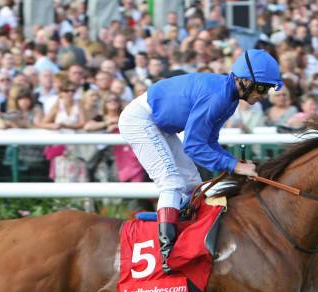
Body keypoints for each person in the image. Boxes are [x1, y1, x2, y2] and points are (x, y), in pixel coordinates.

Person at [118, 49, 282, 273]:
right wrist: (234, 166)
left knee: (194, 184)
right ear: (244, 81)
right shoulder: (218, 96)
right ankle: (167, 254)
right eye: (262, 87)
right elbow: (194, 146)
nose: (263, 95)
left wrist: (234, 161)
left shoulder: (229, 99)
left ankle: (185, 236)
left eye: (268, 89)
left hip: (160, 125)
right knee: (172, 183)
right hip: (140, 120)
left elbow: (209, 142)